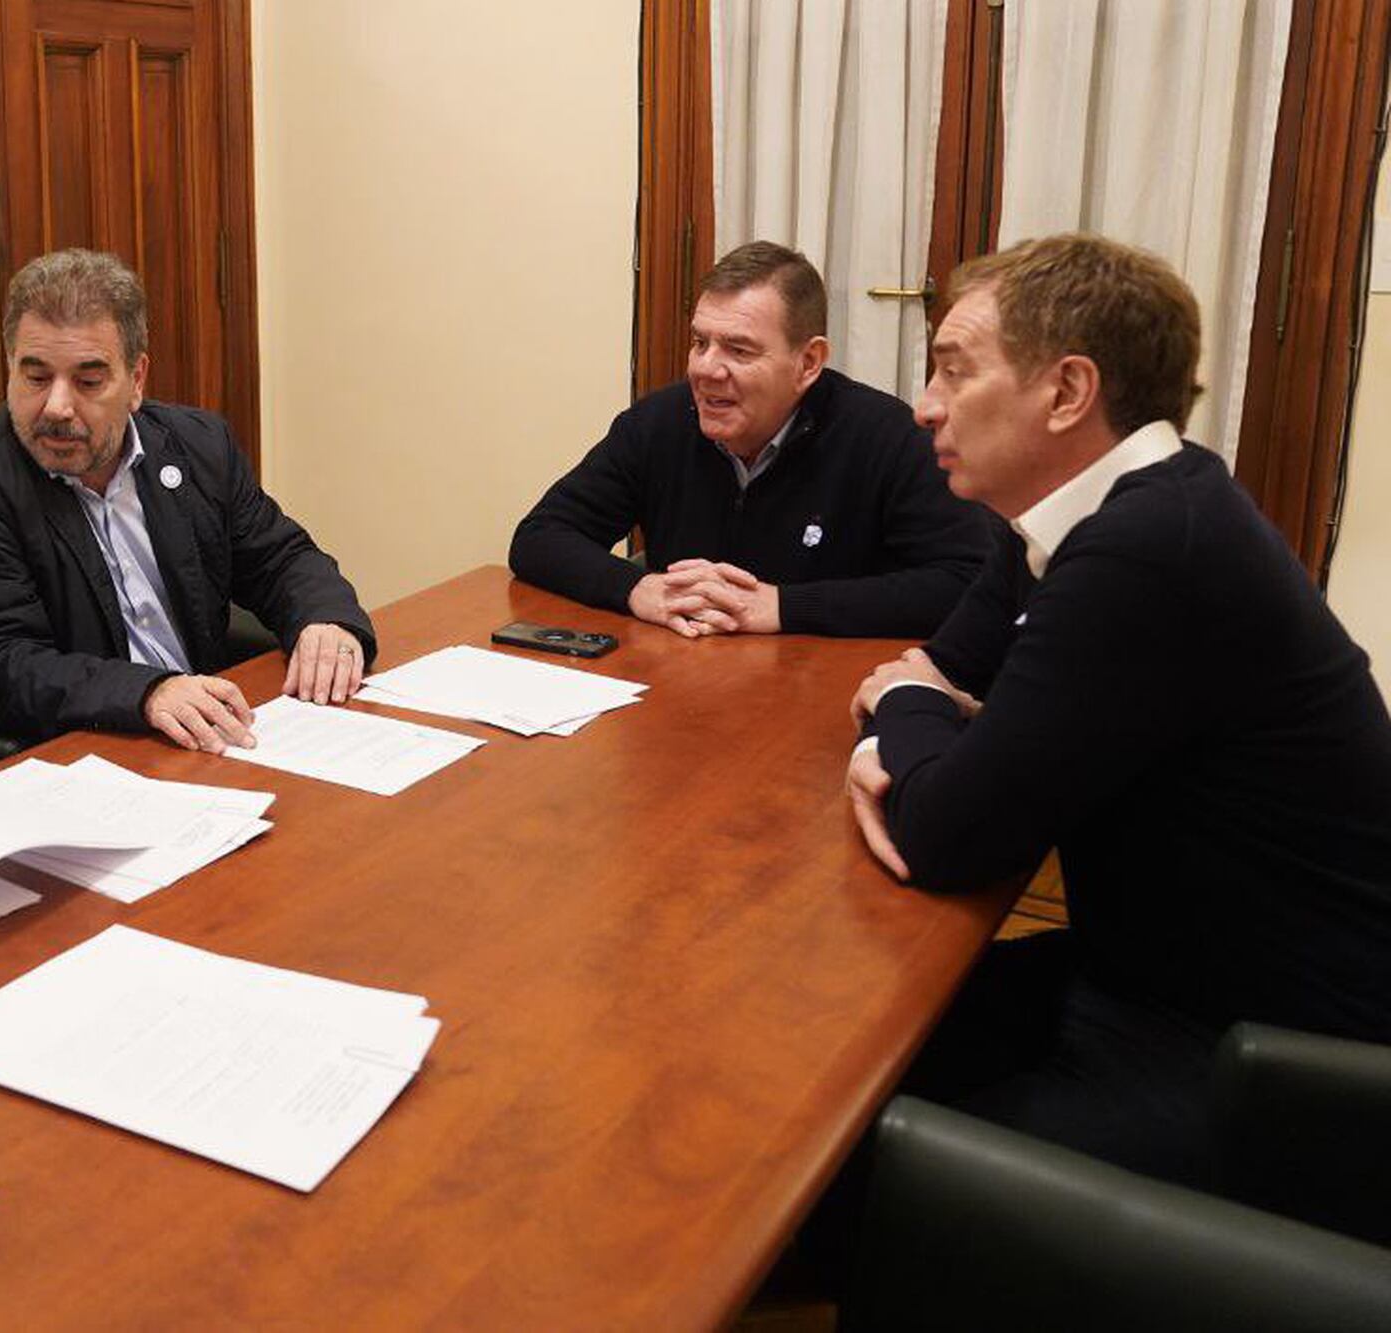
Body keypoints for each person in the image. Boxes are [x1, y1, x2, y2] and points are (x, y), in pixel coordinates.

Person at [847, 233, 1391, 1183]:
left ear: (1067, 393)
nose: (925, 404)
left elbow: (941, 827)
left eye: (953, 368)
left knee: (842, 1162)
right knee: (837, 1046)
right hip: (1154, 976)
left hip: (1272, 1059)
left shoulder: (1150, 546)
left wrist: (908, 711)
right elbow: (939, 673)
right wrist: (923, 707)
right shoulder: (1082, 516)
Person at [0, 249, 375, 752]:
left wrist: (326, 620)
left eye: (88, 381)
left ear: (136, 380)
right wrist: (147, 693)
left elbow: (280, 558)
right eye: (36, 377)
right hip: (94, 753)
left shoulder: (198, 446)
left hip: (210, 738)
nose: (56, 406)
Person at [509, 241, 989, 638]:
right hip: (676, 691)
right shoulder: (659, 423)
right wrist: (638, 589)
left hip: (815, 700)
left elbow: (965, 582)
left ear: (808, 363)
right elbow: (540, 537)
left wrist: (783, 606)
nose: (706, 369)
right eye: (700, 343)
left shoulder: (886, 437)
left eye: (738, 350)